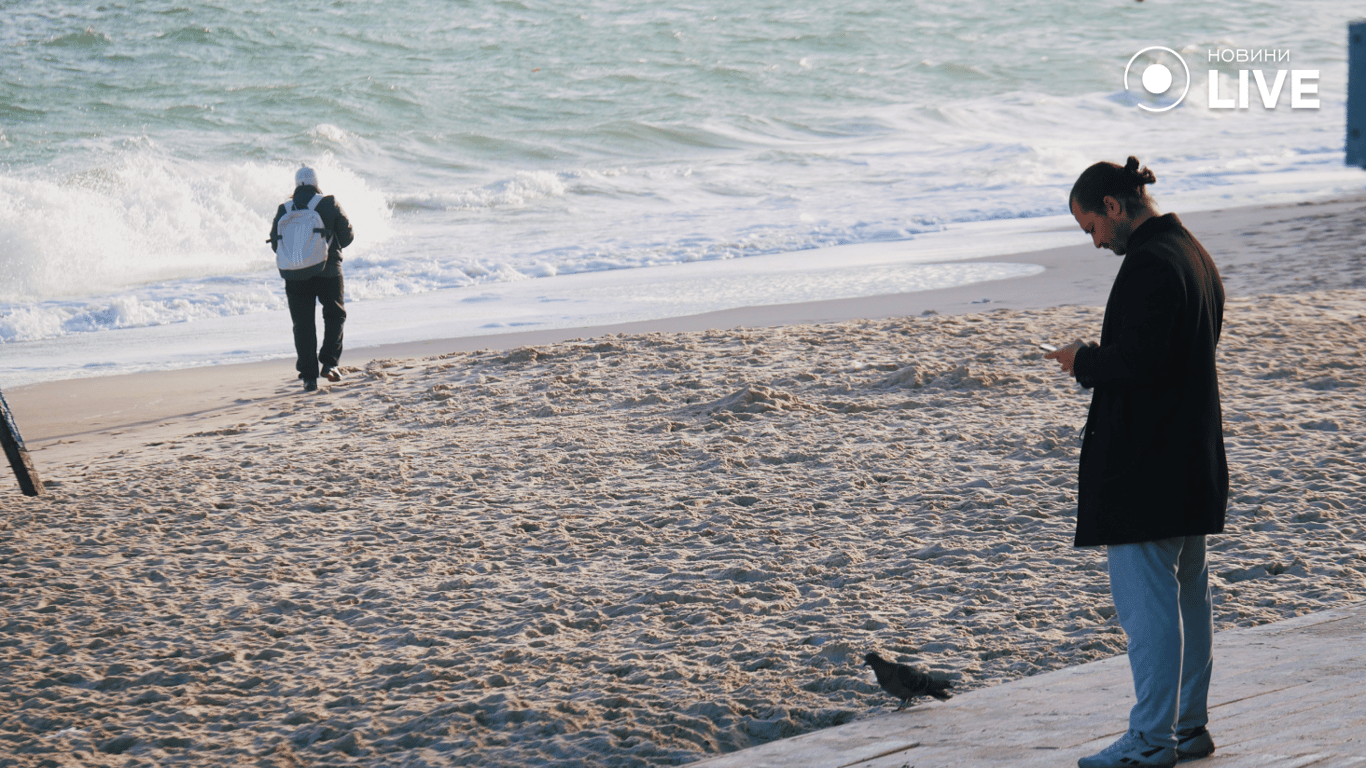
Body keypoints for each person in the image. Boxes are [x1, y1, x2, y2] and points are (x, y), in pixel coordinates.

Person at [1045, 156, 1228, 768]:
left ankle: (1153, 739)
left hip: (1148, 469)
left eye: (1091, 226)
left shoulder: (1151, 263)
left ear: (1115, 208)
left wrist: (1085, 360)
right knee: (1188, 599)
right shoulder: (1192, 254)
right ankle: (1188, 727)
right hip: (1190, 458)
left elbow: (1142, 364)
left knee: (1150, 608)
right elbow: (1175, 357)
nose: (1094, 240)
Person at [269, 166, 354, 392]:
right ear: (317, 182)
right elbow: (347, 238)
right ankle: (329, 363)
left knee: (303, 325)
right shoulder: (328, 203)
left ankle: (309, 377)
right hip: (328, 271)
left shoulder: (284, 209)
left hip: (295, 275)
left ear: (296, 185)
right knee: (335, 315)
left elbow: (276, 245)